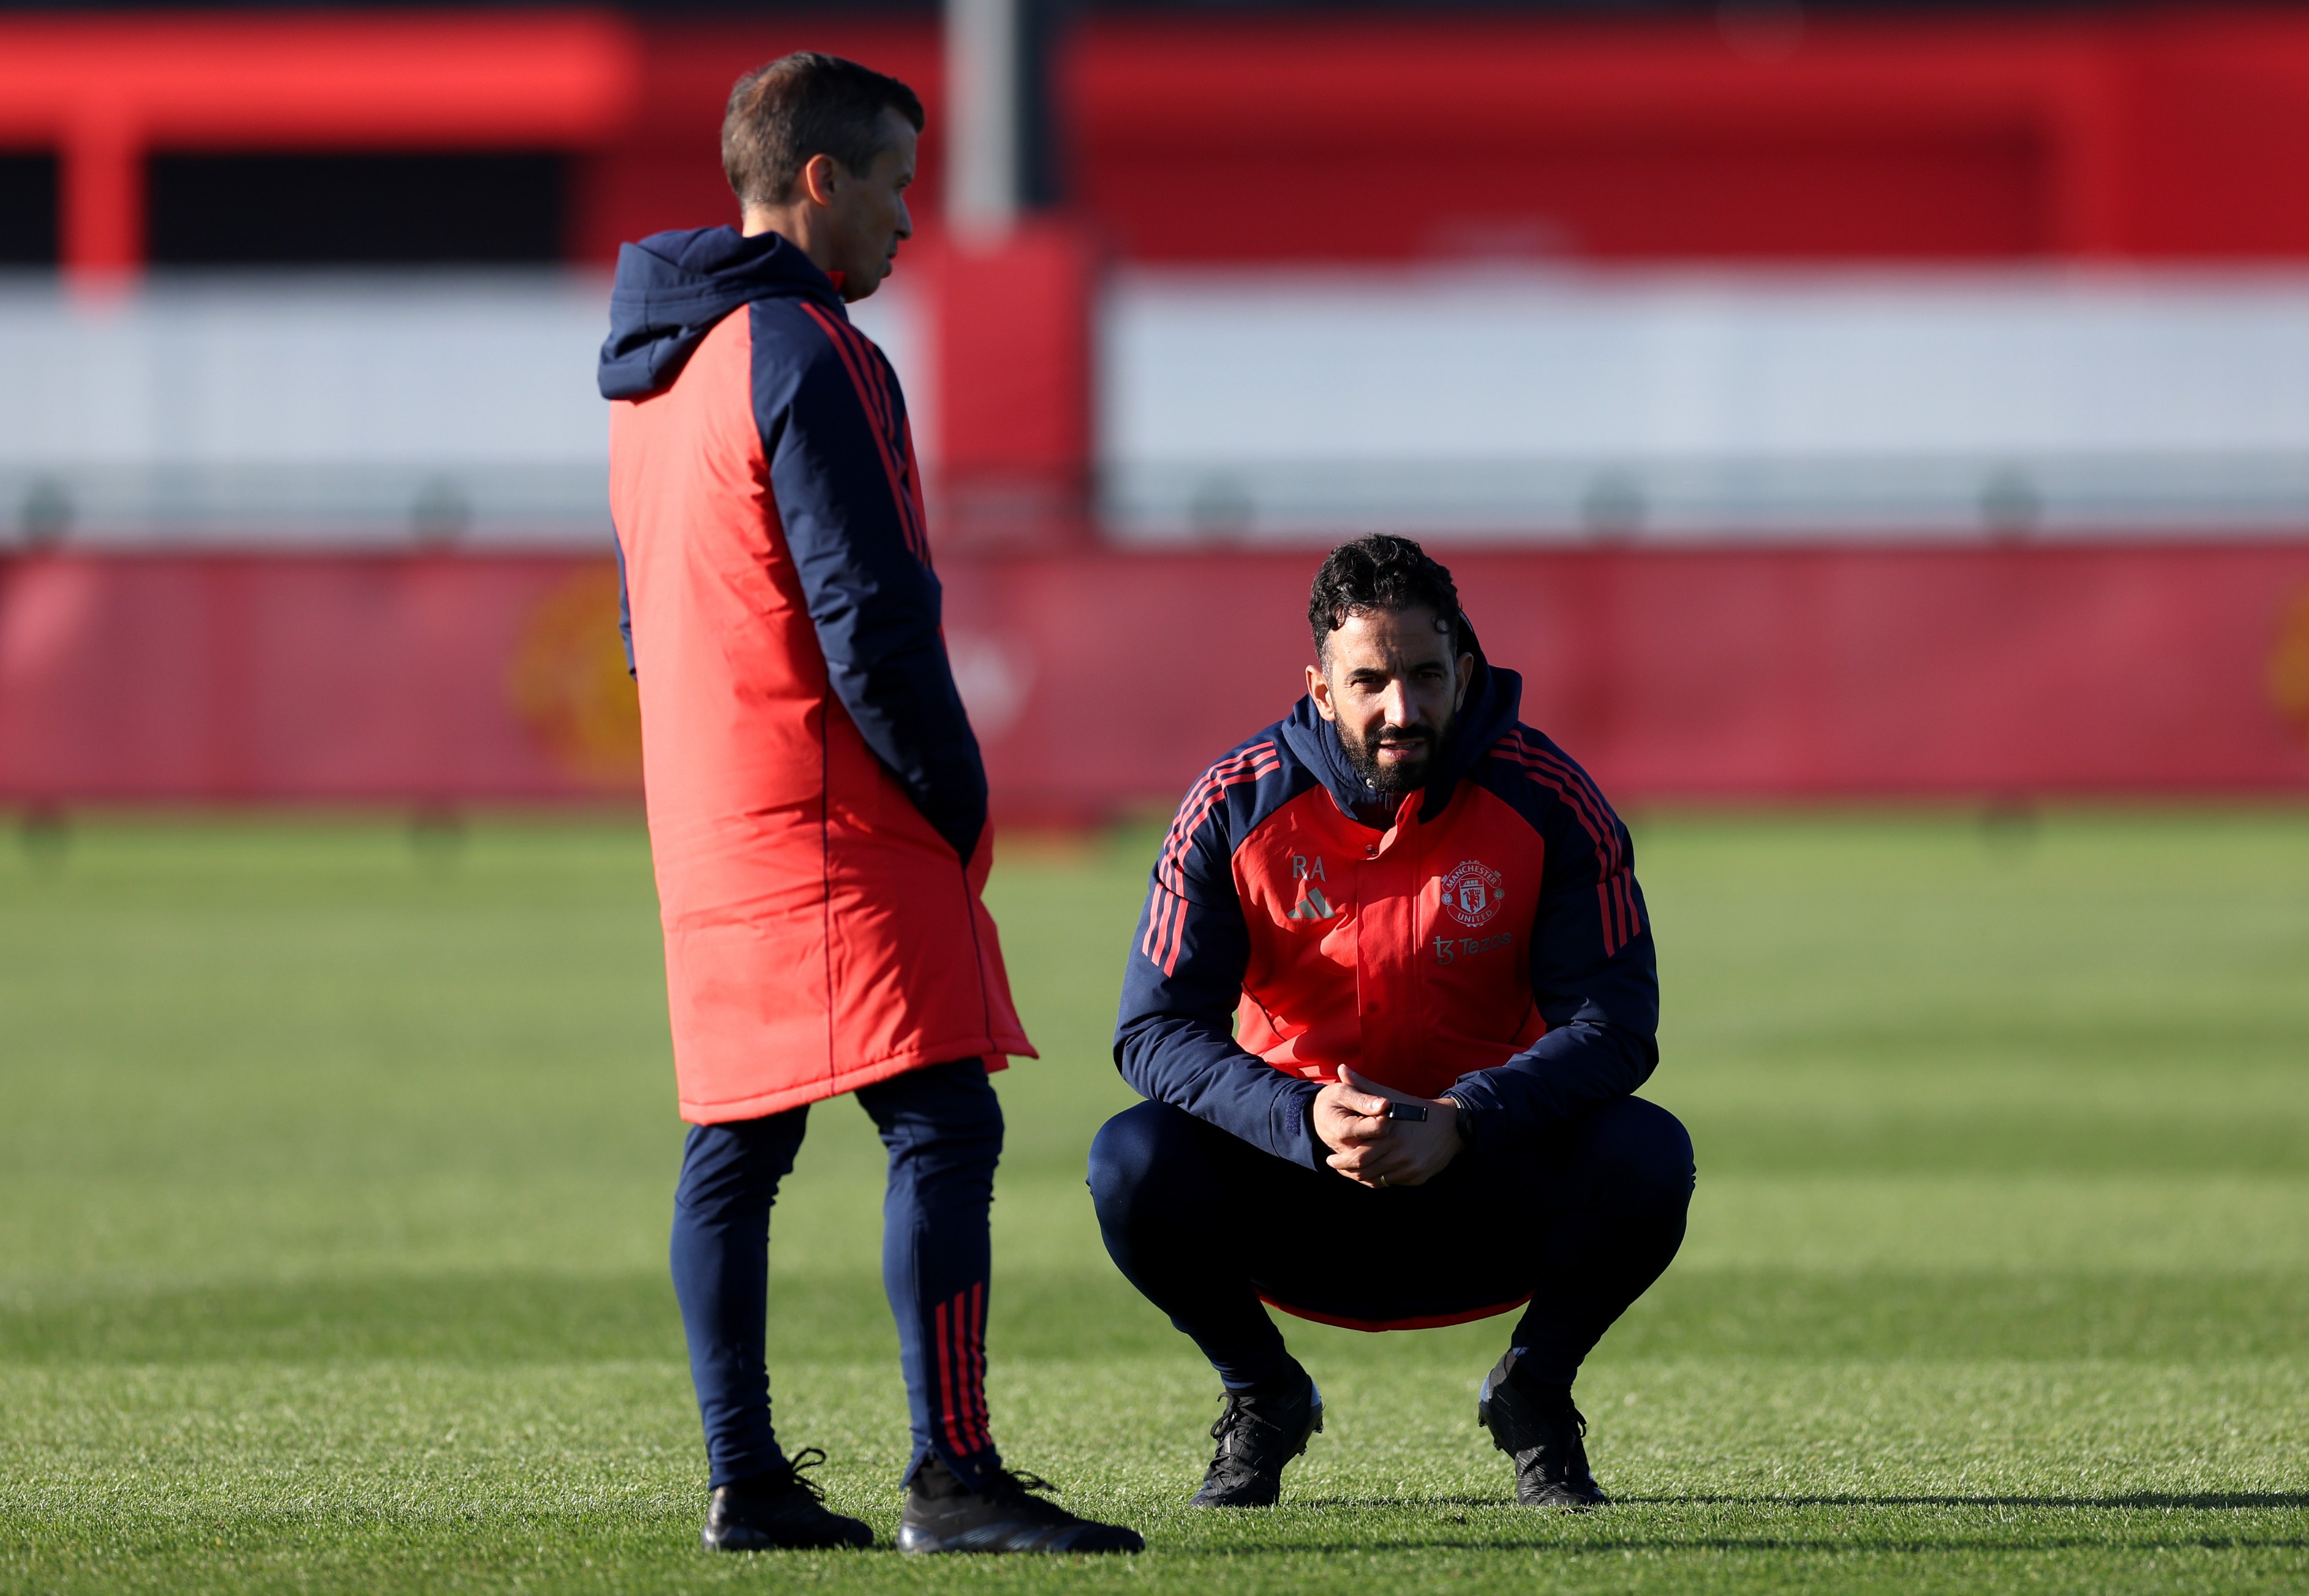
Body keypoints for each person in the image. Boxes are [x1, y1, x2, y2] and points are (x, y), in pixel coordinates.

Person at [597, 52, 1141, 1556]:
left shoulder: (656, 376)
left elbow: (649, 630)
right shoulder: (810, 348)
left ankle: (745, 1476)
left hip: (707, 813)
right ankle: (952, 1474)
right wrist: (956, 791)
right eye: (899, 181)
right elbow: (872, 613)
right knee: (944, 1120)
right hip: (831, 803)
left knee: (738, 1144)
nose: (915, 218)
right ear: (821, 182)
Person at [1089, 534, 1694, 1511]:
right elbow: (1151, 1030)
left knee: (1652, 1154)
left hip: (1481, 1177)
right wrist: (1301, 1118)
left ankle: (1535, 1395)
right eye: (1370, 680)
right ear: (1321, 689)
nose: (1401, 709)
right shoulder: (1229, 807)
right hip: (1297, 1182)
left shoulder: (1554, 801)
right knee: (1129, 1162)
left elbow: (1617, 1024)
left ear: (1462, 669)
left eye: (1423, 675)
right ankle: (1264, 1396)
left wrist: (1467, 1115)